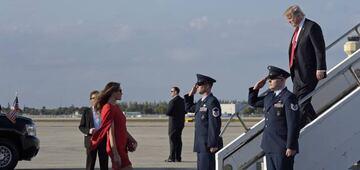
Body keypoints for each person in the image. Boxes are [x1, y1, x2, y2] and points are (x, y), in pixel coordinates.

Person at [248, 66, 301, 170]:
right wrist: (256, 88)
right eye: (268, 80)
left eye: (272, 79)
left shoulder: (289, 97)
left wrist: (291, 146)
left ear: (282, 80)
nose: (269, 82)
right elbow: (252, 102)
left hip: (283, 146)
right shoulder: (269, 96)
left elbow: (293, 124)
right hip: (269, 145)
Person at [284, 5, 327, 127]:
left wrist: (321, 68)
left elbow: (320, 49)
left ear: (298, 16)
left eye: (290, 18)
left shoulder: (311, 27)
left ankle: (299, 129)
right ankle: (316, 122)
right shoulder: (297, 31)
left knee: (302, 102)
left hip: (308, 73)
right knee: (297, 101)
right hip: (297, 74)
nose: (289, 21)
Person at [91, 82, 137, 170]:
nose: (122, 93)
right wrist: (115, 153)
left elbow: (122, 128)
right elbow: (110, 131)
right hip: (116, 147)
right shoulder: (108, 108)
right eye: (120, 90)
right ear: (113, 92)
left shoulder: (116, 107)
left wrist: (132, 139)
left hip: (122, 146)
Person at [184, 74, 223, 170]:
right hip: (200, 144)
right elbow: (188, 108)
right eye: (196, 84)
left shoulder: (212, 102)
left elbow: (214, 124)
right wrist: (190, 94)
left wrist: (213, 144)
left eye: (200, 84)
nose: (197, 86)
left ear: (208, 86)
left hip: (208, 145)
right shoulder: (201, 102)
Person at [79, 90, 109, 170]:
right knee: (90, 164)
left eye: (97, 98)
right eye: (93, 98)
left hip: (103, 139)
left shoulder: (104, 111)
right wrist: (89, 131)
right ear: (90, 100)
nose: (95, 100)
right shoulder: (86, 112)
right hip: (91, 140)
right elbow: (81, 127)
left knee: (104, 163)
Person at [165, 86, 186, 162]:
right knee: (179, 140)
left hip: (173, 124)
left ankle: (172, 157)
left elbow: (168, 112)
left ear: (176, 92)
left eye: (171, 91)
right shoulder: (183, 101)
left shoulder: (173, 101)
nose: (170, 93)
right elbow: (186, 111)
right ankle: (178, 157)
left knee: (172, 140)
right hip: (181, 123)